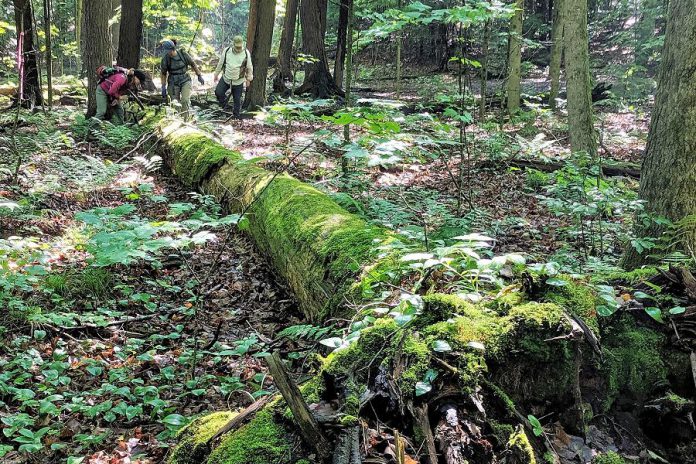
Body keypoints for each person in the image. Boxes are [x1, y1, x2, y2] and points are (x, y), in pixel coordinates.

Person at [160, 39, 204, 119]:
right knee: (174, 103)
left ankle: (185, 120)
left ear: (172, 49)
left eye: (168, 51)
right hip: (173, 82)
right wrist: (163, 86)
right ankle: (176, 120)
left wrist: (199, 75)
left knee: (185, 100)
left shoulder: (182, 54)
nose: (167, 53)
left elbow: (192, 64)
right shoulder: (165, 59)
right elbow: (163, 73)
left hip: (185, 80)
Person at [213, 35, 253, 119]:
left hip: (238, 80)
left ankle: (236, 116)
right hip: (226, 78)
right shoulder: (227, 51)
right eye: (236, 46)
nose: (238, 48)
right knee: (218, 92)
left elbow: (249, 67)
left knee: (237, 99)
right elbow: (221, 63)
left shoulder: (246, 53)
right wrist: (216, 74)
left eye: (240, 46)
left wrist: (248, 79)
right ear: (233, 44)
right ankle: (224, 106)